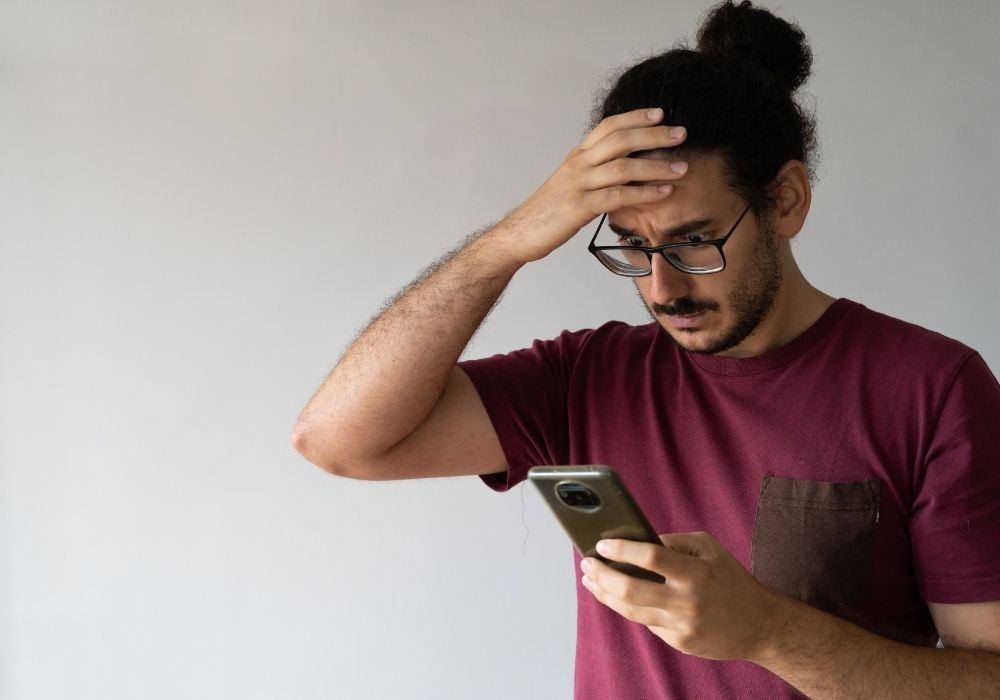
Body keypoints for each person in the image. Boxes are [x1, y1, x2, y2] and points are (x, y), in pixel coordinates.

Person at [292, 1, 1000, 697]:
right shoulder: (585, 377)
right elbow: (338, 441)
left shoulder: (933, 388)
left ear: (785, 201)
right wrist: (509, 242)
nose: (663, 289)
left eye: (694, 241)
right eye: (632, 246)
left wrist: (768, 633)